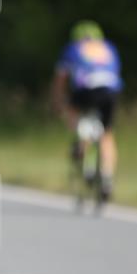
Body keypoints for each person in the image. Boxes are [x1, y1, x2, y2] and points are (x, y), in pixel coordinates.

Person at [52, 20, 122, 200]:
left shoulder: (73, 48)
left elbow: (61, 79)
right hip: (110, 90)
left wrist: (60, 103)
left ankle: (81, 145)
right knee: (107, 134)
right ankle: (107, 178)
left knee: (73, 111)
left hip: (86, 89)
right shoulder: (109, 48)